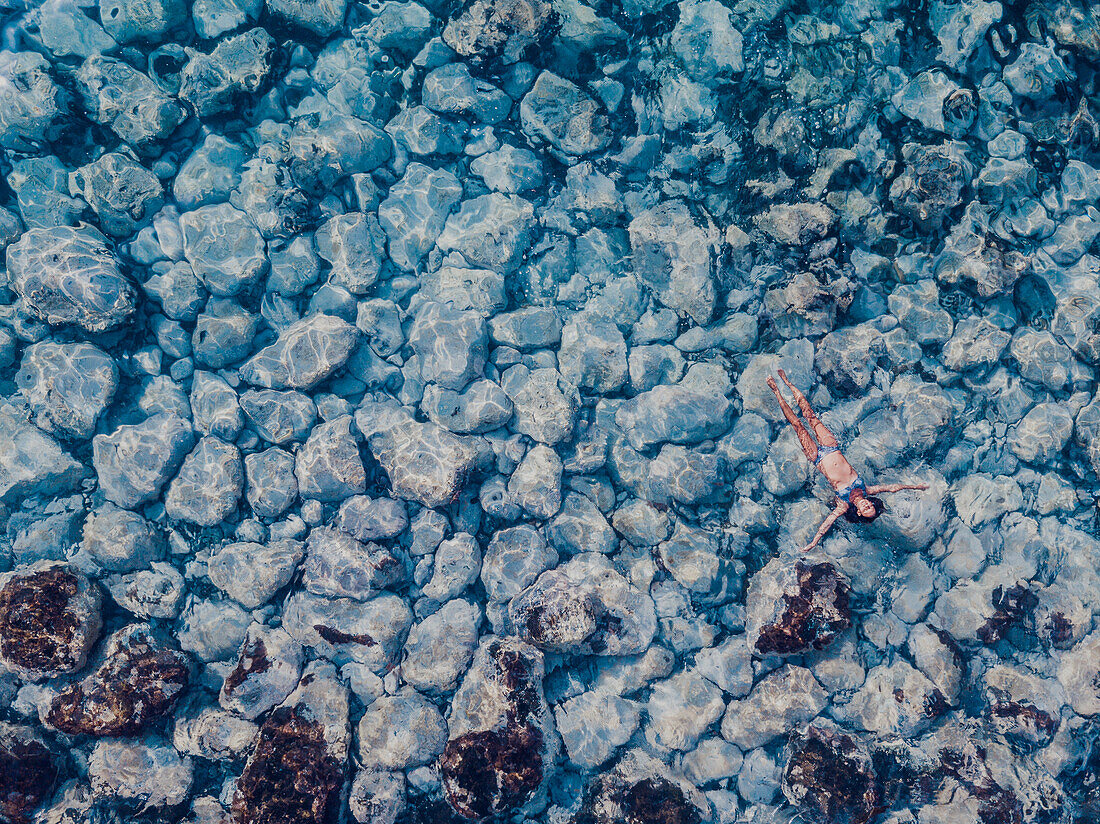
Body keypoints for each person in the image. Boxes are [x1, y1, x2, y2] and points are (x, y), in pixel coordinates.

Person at [767, 369, 929, 552]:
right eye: (871, 506)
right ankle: (787, 382)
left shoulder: (843, 504)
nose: (868, 505)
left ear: (859, 512)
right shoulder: (866, 489)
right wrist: (917, 486)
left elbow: (828, 522)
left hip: (818, 458)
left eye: (866, 510)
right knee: (810, 416)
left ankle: (776, 391)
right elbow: (892, 487)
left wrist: (814, 542)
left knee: (797, 425)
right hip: (831, 447)